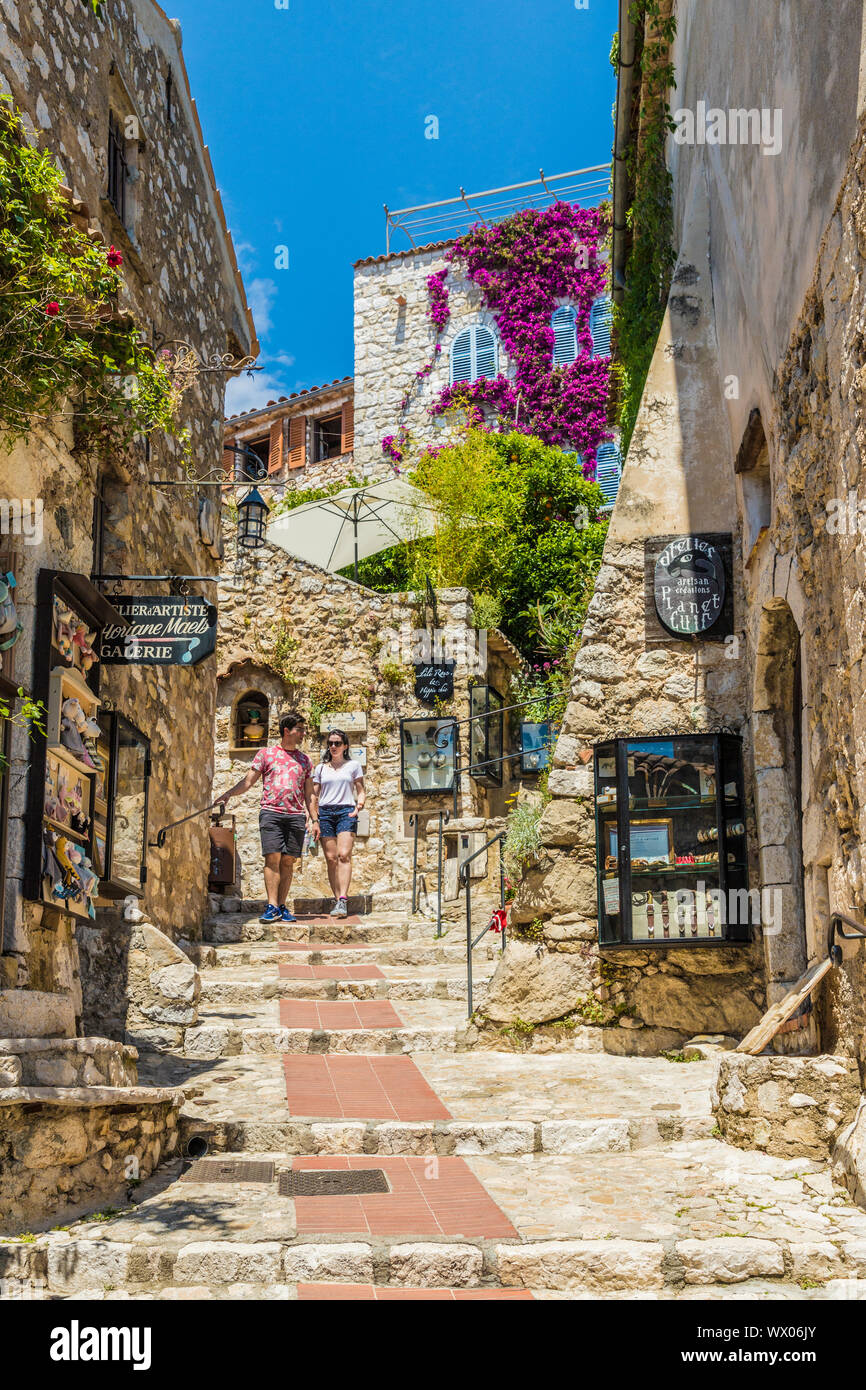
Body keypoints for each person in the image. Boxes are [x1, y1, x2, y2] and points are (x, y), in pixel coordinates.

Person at [216, 710, 317, 925]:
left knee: (288, 861)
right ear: (287, 731)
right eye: (300, 729)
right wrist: (228, 794)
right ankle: (271, 906)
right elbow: (248, 781)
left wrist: (314, 819)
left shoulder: (305, 760)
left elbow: (310, 793)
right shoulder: (266, 754)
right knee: (273, 858)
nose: (303, 733)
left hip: (296, 815)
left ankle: (281, 905)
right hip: (271, 813)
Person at [311, 728, 365, 918]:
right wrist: (313, 819)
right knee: (331, 858)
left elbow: (361, 790)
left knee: (343, 855)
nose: (333, 746)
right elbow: (314, 795)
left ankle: (343, 898)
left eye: (337, 743)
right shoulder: (320, 768)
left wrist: (359, 806)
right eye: (331, 743)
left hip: (345, 812)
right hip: (325, 813)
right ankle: (337, 901)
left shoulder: (353, 766)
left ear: (345, 746)